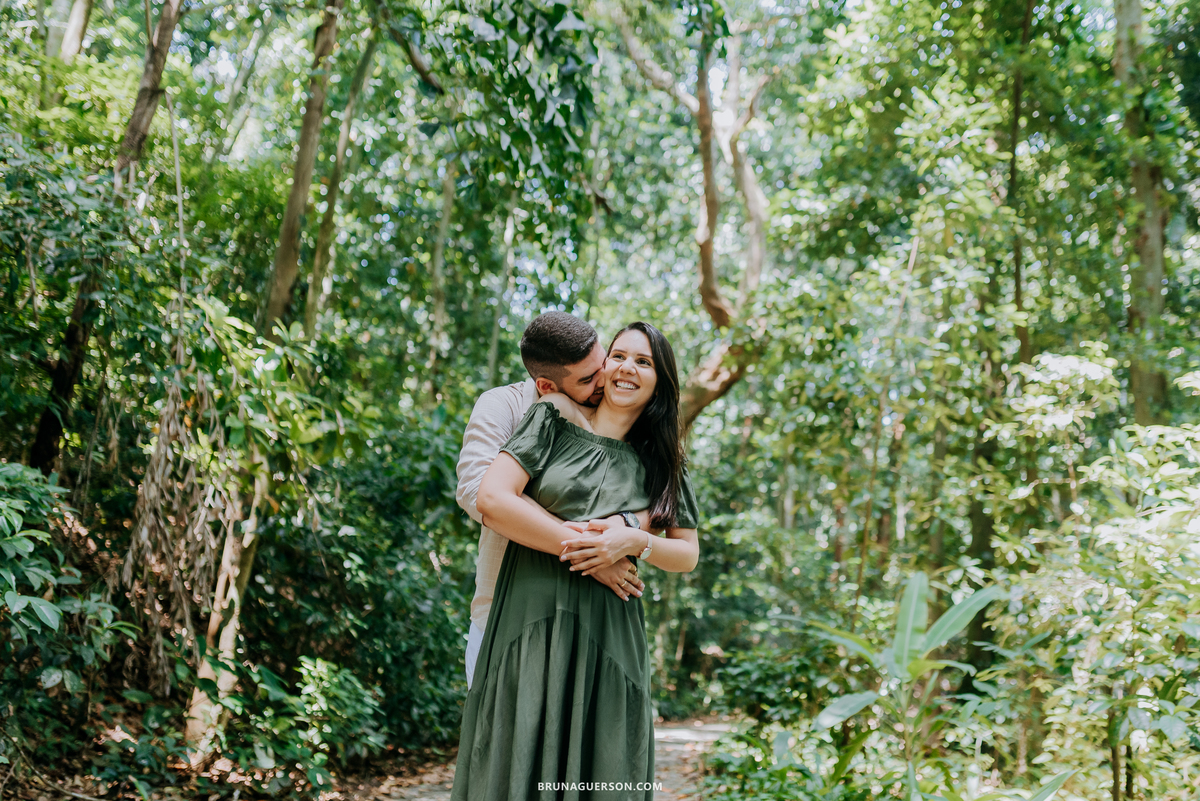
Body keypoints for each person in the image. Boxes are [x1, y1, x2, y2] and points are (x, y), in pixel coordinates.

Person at [452, 321, 700, 801]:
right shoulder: (544, 416)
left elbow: (686, 553)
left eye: (644, 361)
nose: (626, 368)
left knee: (602, 775)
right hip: (527, 620)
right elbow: (489, 496)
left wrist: (630, 540)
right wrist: (591, 550)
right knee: (512, 764)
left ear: (660, 381)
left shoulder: (661, 463)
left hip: (609, 634)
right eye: (619, 355)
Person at [456, 312, 654, 688]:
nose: (604, 380)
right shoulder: (505, 407)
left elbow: (657, 500)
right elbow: (478, 491)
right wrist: (587, 552)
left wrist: (626, 526)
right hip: (504, 611)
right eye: (587, 379)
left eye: (603, 363)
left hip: (592, 622)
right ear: (547, 385)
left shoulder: (613, 410)